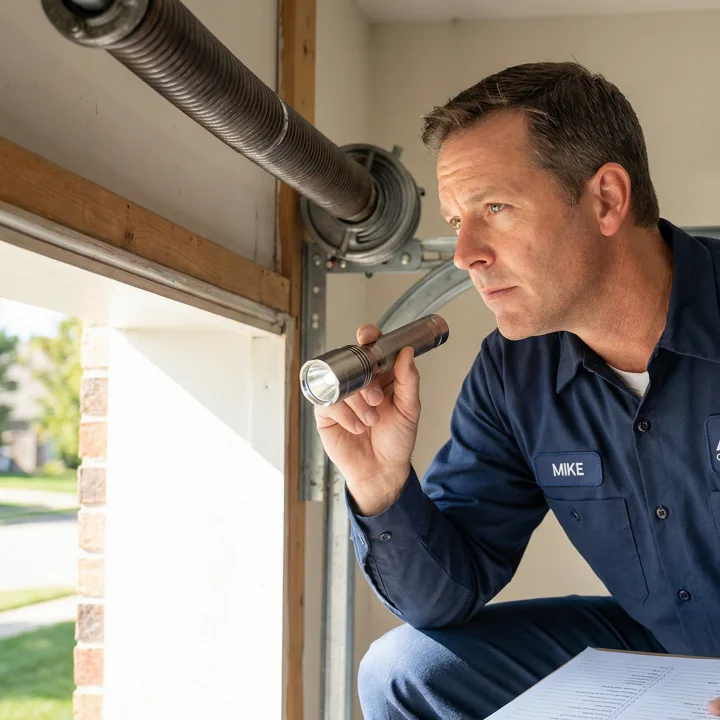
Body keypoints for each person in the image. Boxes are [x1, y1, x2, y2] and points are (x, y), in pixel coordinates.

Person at [314, 61, 720, 719]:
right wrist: (381, 485)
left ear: (607, 200)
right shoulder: (513, 376)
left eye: (494, 208)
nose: (464, 252)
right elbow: (446, 598)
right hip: (664, 650)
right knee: (404, 672)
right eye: (455, 219)